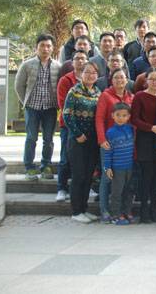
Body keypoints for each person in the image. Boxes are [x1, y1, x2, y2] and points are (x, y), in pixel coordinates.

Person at [15, 34, 62, 180]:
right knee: (31, 138)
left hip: (50, 108)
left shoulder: (58, 66)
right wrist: (26, 102)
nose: (45, 49)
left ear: (52, 48)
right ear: (36, 48)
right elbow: (19, 86)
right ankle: (29, 167)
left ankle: (46, 165)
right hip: (32, 108)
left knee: (48, 139)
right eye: (42, 45)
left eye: (48, 46)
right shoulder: (27, 65)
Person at [62, 62, 101, 223]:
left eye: (93, 73)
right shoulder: (74, 91)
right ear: (81, 74)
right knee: (78, 175)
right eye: (87, 72)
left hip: (92, 140)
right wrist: (78, 134)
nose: (90, 75)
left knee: (88, 176)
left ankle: (84, 208)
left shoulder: (98, 92)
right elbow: (67, 114)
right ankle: (76, 211)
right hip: (77, 140)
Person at [95, 68, 134, 223]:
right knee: (107, 178)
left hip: (126, 145)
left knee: (125, 185)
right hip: (109, 142)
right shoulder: (106, 95)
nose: (119, 80)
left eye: (122, 77)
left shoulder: (131, 96)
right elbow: (99, 118)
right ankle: (105, 210)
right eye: (116, 77)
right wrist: (102, 139)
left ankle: (124, 211)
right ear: (111, 80)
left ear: (127, 80)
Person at [131, 69, 156, 223]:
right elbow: (134, 119)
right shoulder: (140, 96)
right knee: (146, 177)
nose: (154, 82)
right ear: (146, 81)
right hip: (145, 140)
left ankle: (153, 208)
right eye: (151, 79)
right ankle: (144, 210)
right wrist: (152, 128)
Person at [55, 50, 88, 201]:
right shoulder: (65, 80)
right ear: (72, 62)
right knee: (65, 157)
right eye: (77, 59)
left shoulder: (91, 81)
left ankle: (85, 188)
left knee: (84, 159)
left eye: (83, 58)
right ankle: (61, 188)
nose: (80, 61)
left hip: (87, 127)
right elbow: (63, 104)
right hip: (68, 125)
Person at [103, 103, 135, 226]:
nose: (121, 118)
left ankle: (127, 212)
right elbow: (107, 152)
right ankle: (115, 215)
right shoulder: (110, 132)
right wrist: (107, 167)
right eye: (118, 115)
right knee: (117, 192)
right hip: (117, 168)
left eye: (124, 115)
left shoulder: (131, 129)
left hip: (130, 167)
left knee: (128, 191)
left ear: (128, 117)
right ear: (112, 116)